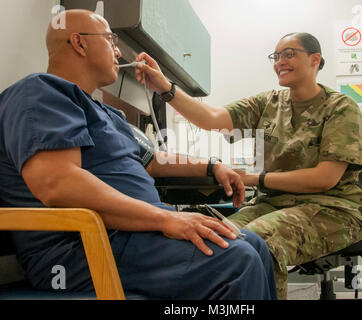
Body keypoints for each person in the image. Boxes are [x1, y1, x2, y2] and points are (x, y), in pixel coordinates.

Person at [0, 10, 278, 300]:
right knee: (236, 262)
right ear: (80, 44)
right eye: (110, 39)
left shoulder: (109, 113)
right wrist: (163, 219)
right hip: (78, 249)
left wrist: (212, 166)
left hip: (129, 236)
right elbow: (58, 184)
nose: (118, 50)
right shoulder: (42, 92)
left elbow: (154, 161)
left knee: (254, 245)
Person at [135, 32, 362, 299]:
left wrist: (254, 179)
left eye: (289, 54)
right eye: (276, 56)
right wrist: (166, 88)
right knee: (220, 238)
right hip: (273, 204)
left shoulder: (341, 108)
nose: (279, 61)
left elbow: (324, 179)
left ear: (315, 59)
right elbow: (211, 118)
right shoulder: (267, 103)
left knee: (258, 243)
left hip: (333, 208)